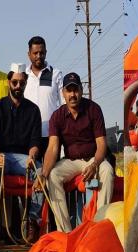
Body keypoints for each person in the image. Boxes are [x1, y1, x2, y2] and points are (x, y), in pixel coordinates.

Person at [33, 72, 114, 232]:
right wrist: (43, 173)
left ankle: (98, 227)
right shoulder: (57, 116)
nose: (72, 95)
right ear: (63, 93)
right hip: (71, 161)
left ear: (81, 90)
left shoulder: (94, 109)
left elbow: (101, 144)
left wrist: (95, 164)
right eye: (69, 91)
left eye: (75, 90)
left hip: (93, 158)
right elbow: (53, 147)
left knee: (108, 171)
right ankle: (66, 233)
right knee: (53, 175)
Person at [0, 63, 43, 243]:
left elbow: (35, 142)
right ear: (9, 83)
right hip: (2, 155)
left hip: (22, 159)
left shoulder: (33, 110)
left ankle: (32, 221)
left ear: (26, 83)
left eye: (21, 83)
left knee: (40, 171)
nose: (18, 86)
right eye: (15, 83)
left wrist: (32, 157)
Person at [24, 36, 64, 159]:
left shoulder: (56, 74)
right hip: (28, 136)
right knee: (31, 174)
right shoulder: (23, 76)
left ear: (46, 53)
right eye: (35, 53)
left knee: (52, 174)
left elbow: (64, 104)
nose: (38, 56)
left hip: (51, 136)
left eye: (41, 52)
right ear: (29, 54)